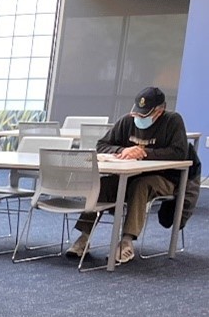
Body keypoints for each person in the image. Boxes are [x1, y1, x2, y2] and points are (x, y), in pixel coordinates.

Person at [67, 86, 201, 265]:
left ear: (159, 111)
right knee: (102, 185)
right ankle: (84, 237)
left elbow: (179, 152)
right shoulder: (127, 121)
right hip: (129, 174)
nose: (139, 118)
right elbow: (101, 145)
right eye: (137, 113)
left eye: (144, 115)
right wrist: (123, 150)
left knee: (141, 185)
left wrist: (144, 152)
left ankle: (126, 242)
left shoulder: (173, 121)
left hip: (165, 178)